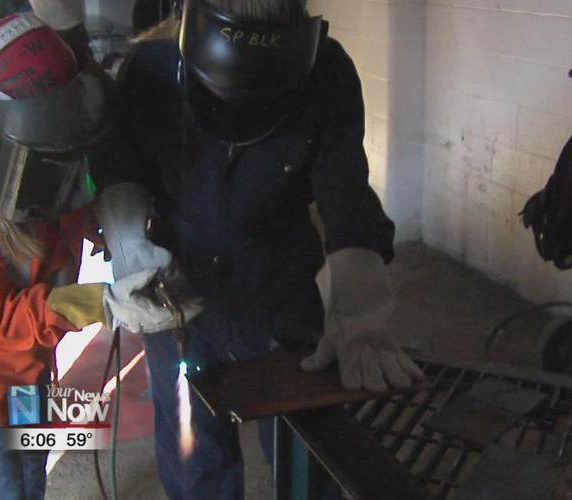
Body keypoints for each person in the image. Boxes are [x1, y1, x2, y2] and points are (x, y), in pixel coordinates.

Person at [94, 0, 429, 497]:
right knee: (194, 456)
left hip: (282, 284)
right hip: (179, 292)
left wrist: (360, 308)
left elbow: (346, 196)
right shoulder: (152, 67)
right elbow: (122, 171)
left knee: (308, 452)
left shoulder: (326, 69)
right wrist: (132, 256)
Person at [0, 11, 197, 499]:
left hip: (32, 349)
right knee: (2, 486)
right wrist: (101, 303)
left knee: (31, 462)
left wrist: (120, 232)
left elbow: (65, 192)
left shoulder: (44, 131)